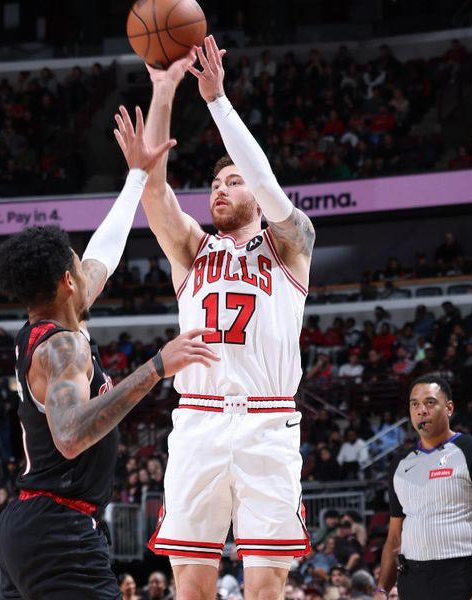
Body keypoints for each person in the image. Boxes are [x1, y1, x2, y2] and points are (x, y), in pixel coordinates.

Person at [0, 105, 219, 600]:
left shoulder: (48, 320)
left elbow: (104, 254)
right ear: (68, 283)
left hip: (30, 526)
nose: (85, 263)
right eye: (77, 263)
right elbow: (70, 436)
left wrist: (137, 176)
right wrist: (157, 367)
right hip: (59, 530)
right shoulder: (64, 347)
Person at [142, 35, 316, 599]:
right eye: (215, 183)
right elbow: (153, 188)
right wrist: (164, 91)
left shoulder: (291, 245)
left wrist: (217, 101)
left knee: (266, 590)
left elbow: (264, 179)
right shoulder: (193, 249)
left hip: (268, 424)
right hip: (199, 419)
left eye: (231, 180)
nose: (220, 188)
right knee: (192, 589)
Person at [374, 374, 472, 600]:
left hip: (462, 576)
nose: (421, 410)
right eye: (414, 404)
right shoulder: (399, 464)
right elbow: (395, 536)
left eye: (429, 402)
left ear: (449, 408)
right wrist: (382, 589)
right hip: (412, 579)